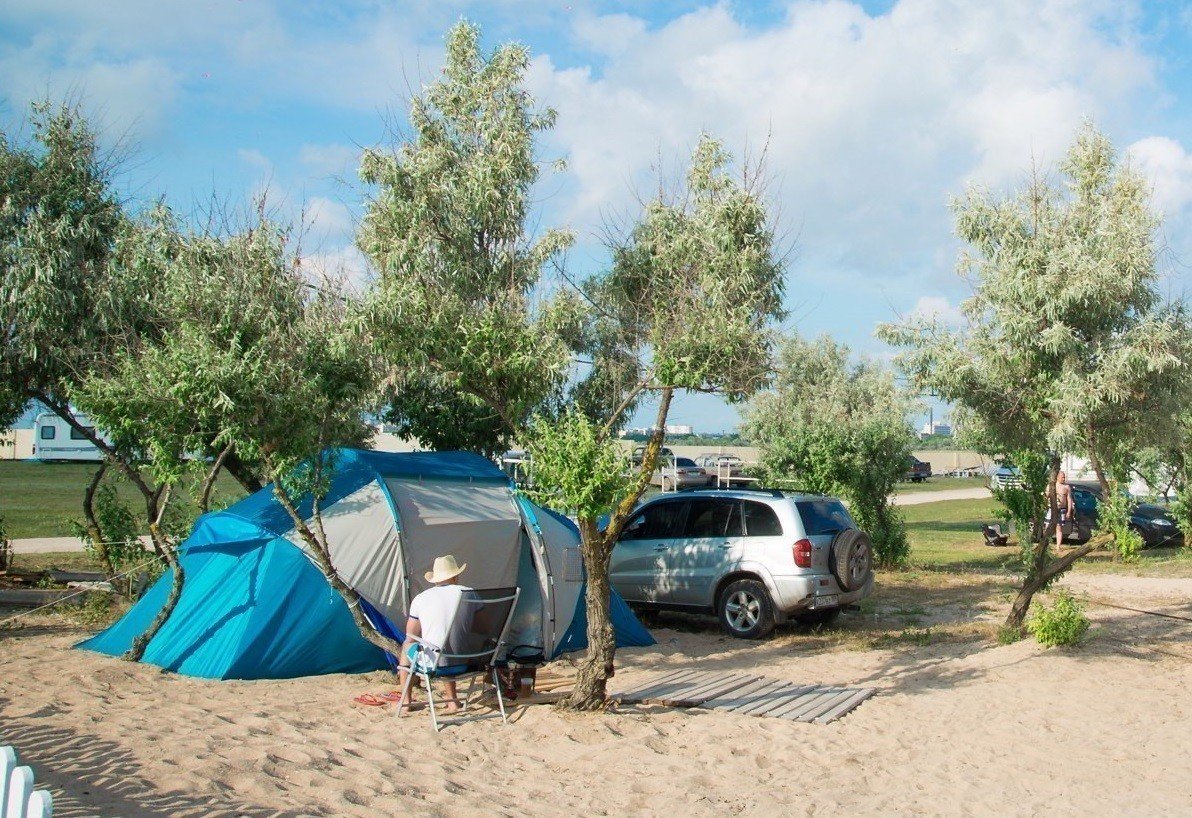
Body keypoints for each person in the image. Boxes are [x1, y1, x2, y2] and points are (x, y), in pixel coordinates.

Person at [396, 554, 473, 714]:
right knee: (449, 643)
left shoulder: (421, 598)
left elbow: (411, 635)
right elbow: (484, 627)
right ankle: (452, 702)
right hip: (471, 660)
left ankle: (406, 701)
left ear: (435, 578)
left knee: (407, 646)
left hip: (437, 662)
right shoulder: (469, 593)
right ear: (455, 575)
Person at [1047, 471, 1076, 547]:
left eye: (1064, 477)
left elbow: (1069, 500)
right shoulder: (1051, 486)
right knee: (1047, 527)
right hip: (1051, 509)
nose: (1064, 479)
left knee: (1059, 528)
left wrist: (1069, 511)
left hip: (1061, 509)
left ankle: (1058, 546)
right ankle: (1047, 545)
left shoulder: (1066, 487)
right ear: (1057, 477)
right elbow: (1046, 496)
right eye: (1062, 477)